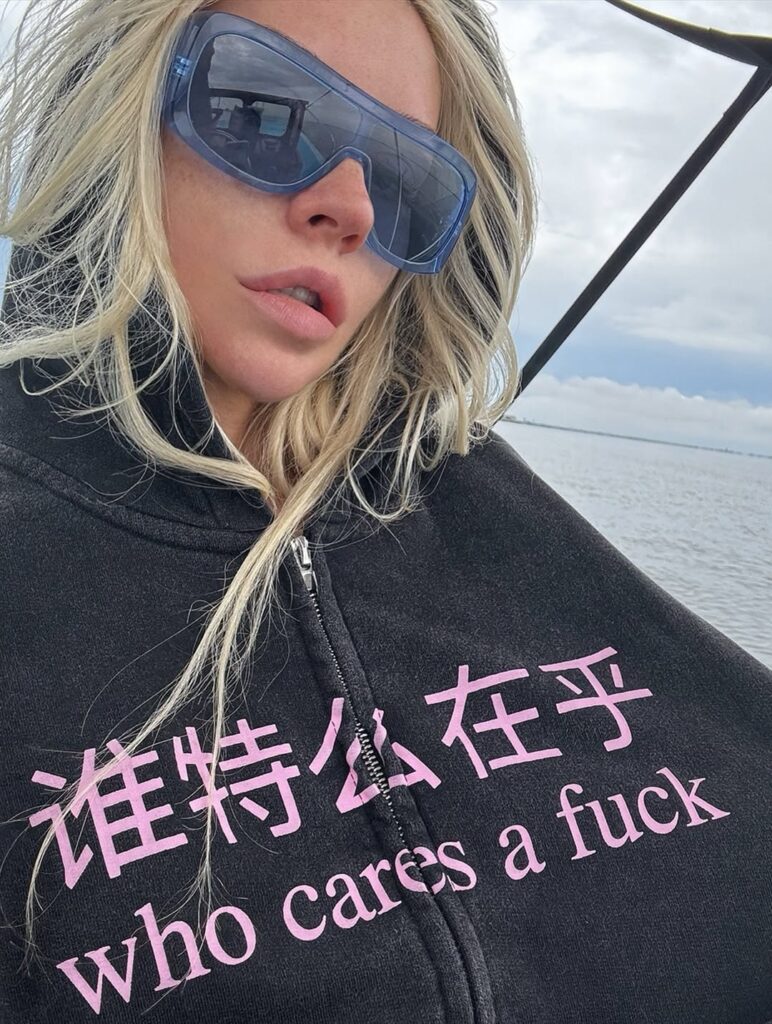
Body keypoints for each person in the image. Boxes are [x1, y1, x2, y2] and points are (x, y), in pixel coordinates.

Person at [0, 0, 769, 1021]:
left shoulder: (470, 498)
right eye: (262, 112)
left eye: (408, 181)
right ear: (119, 113)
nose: (351, 208)